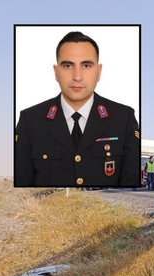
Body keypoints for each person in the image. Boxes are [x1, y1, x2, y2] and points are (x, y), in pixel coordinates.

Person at [15, 31, 140, 187]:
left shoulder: (123, 118)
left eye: (86, 65)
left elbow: (131, 187)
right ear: (56, 72)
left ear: (99, 72)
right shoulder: (30, 120)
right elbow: (23, 184)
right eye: (68, 66)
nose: (77, 76)